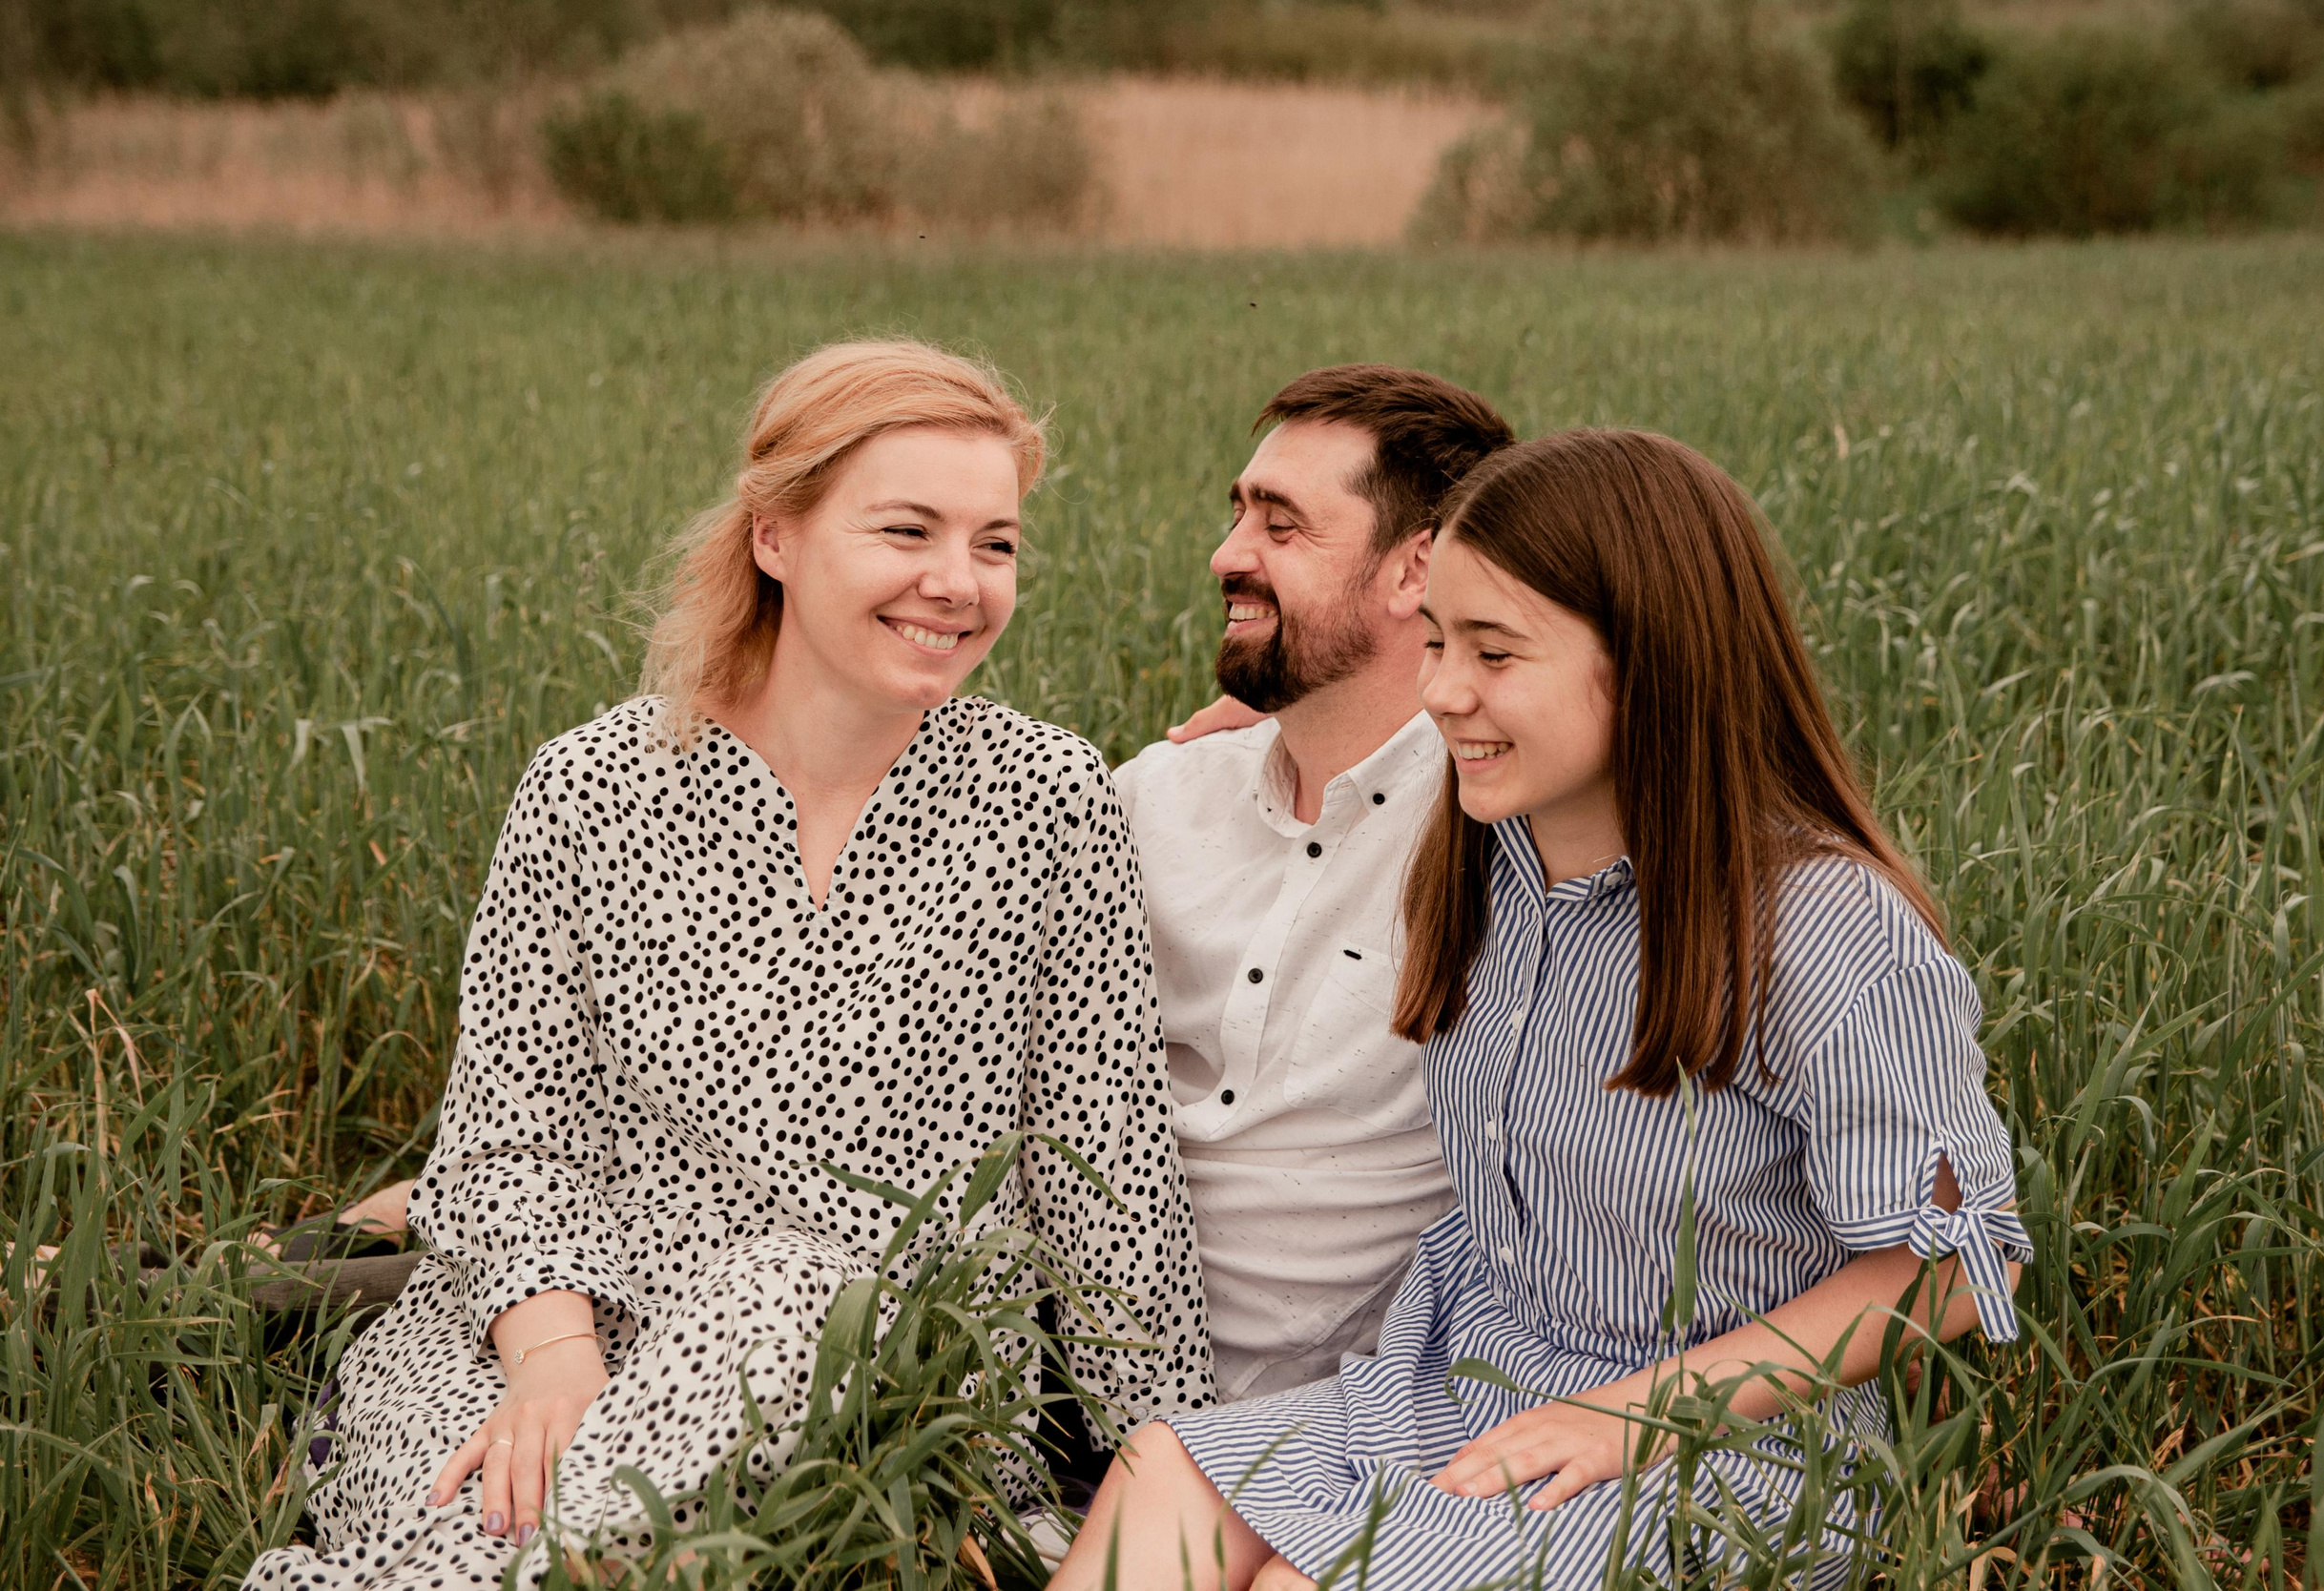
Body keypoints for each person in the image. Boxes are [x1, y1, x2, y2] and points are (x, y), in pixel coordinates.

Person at [244, 340, 1216, 1591]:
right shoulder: (592, 789)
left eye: (996, 544)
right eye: (907, 530)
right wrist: (555, 1362)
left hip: (860, 1363)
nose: (957, 582)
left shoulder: (1045, 797)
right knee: (475, 1487)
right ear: (775, 537)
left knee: (788, 1299)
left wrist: (1181, 1460)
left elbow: (1108, 1175)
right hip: (554, 1332)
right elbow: (504, 1139)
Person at [1049, 428, 2033, 1591]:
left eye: (1493, 653)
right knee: (1165, 1476)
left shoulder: (1822, 927)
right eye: (1434, 641)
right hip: (1464, 1366)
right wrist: (1270, 721)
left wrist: (1637, 1415)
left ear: (1652, 660)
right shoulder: (1484, 847)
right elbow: (1369, 718)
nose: (1441, 691)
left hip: (1723, 1439)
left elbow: (1955, 1267)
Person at [1115, 365, 1514, 1404]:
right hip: (1062, 1377)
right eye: (1238, 514)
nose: (1227, 556)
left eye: (1280, 526)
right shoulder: (1155, 797)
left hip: (1328, 1425)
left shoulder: (1502, 833)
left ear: (1418, 568)